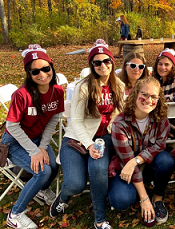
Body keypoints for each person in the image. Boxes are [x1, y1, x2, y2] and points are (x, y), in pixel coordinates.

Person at [50, 39, 124, 229]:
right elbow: (74, 121)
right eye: (97, 62)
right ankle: (64, 196)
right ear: (91, 65)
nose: (102, 65)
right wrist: (89, 145)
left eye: (106, 61)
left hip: (103, 138)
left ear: (112, 61)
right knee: (75, 185)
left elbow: (121, 114)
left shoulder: (119, 86)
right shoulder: (83, 87)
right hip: (76, 139)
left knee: (98, 170)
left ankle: (99, 219)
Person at [2, 44, 64, 229]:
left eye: (46, 68)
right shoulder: (22, 95)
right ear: (29, 74)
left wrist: (43, 147)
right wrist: (33, 151)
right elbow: (11, 125)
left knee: (54, 165)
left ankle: (41, 190)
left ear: (52, 67)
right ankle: (15, 214)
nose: (42, 74)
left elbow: (53, 120)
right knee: (42, 171)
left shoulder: (57, 91)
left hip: (38, 140)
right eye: (35, 71)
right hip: (15, 142)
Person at [108, 77, 174, 225]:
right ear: (135, 94)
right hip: (125, 169)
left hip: (146, 165)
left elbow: (160, 145)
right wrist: (144, 199)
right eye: (144, 94)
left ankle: (157, 199)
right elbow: (127, 161)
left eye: (153, 97)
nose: (148, 100)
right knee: (121, 200)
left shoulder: (161, 118)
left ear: (158, 99)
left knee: (166, 160)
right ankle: (141, 194)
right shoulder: (120, 123)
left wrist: (136, 160)